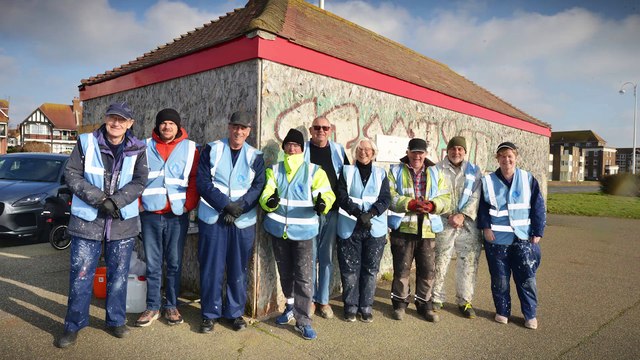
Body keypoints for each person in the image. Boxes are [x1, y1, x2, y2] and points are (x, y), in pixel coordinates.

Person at [56, 102, 148, 348]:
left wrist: (115, 202)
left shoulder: (139, 148)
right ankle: (73, 325)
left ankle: (115, 321)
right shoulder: (86, 142)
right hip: (88, 221)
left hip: (121, 223)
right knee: (81, 275)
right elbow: (72, 174)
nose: (116, 123)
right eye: (112, 118)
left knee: (118, 276)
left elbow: (140, 180)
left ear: (130, 124)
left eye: (122, 119)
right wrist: (100, 200)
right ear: (106, 119)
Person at [260, 128, 336, 340]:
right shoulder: (274, 170)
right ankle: (290, 308)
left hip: (303, 232)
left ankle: (303, 320)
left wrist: (323, 203)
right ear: (284, 147)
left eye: (296, 145)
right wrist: (269, 201)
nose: (292, 148)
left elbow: (326, 193)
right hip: (278, 231)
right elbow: (267, 192)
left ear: (302, 149)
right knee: (285, 272)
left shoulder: (314, 171)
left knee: (303, 277)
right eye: (289, 145)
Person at [196, 111, 265, 333]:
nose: (238, 131)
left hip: (242, 221)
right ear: (229, 127)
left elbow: (258, 187)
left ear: (249, 131)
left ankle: (234, 313)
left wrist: (238, 208)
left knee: (238, 269)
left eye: (243, 128)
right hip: (214, 217)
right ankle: (209, 314)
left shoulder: (255, 155)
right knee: (211, 268)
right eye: (235, 126)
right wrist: (225, 205)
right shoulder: (212, 149)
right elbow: (203, 182)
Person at [135, 108, 199, 327]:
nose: (167, 126)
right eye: (163, 123)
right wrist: (140, 206)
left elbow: (194, 179)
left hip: (177, 216)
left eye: (171, 123)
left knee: (174, 263)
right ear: (158, 126)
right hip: (151, 215)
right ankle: (152, 307)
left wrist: (188, 204)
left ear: (178, 126)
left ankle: (171, 305)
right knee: (153, 264)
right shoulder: (143, 146)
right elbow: (135, 178)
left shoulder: (191, 149)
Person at [477, 141, 545, 330]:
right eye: (502, 156)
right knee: (499, 278)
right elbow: (482, 208)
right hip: (497, 239)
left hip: (523, 238)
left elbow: (538, 206)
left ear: (515, 158)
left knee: (527, 278)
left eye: (510, 156)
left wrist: (538, 231)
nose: (506, 160)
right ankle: (502, 311)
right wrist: (485, 227)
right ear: (497, 158)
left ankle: (530, 315)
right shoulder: (488, 181)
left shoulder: (527, 179)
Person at [387, 138, 450, 322]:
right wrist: (410, 203)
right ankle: (399, 304)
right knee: (402, 269)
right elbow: (389, 195)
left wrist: (433, 205)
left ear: (426, 154)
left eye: (420, 152)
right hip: (403, 228)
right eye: (414, 152)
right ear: (407, 152)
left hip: (428, 229)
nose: (417, 156)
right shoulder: (395, 171)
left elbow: (446, 198)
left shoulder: (435, 172)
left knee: (427, 270)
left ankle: (425, 305)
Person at [335, 138, 390, 323]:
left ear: (373, 153)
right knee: (350, 269)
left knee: (371, 269)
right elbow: (341, 196)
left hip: (375, 229)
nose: (363, 152)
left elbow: (385, 198)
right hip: (350, 226)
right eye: (360, 149)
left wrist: (371, 214)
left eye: (368, 149)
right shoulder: (346, 171)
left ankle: (366, 306)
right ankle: (350, 306)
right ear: (355, 152)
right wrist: (359, 214)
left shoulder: (381, 174)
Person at [431, 136, 483, 319]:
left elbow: (477, 195)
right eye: (453, 149)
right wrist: (449, 215)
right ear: (447, 151)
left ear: (465, 151)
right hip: (444, 221)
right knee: (440, 261)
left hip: (468, 223)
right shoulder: (436, 169)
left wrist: (463, 215)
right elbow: (433, 194)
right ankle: (436, 298)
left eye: (460, 149)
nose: (456, 152)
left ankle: (465, 301)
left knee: (468, 262)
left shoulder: (474, 171)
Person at [304, 116, 349, 319]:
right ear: (311, 130)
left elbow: (347, 178)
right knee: (310, 257)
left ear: (330, 130)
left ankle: (323, 300)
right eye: (317, 127)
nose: (320, 131)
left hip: (332, 214)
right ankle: (311, 300)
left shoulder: (338, 151)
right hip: (309, 213)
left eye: (325, 128)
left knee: (326, 258)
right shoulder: (302, 150)